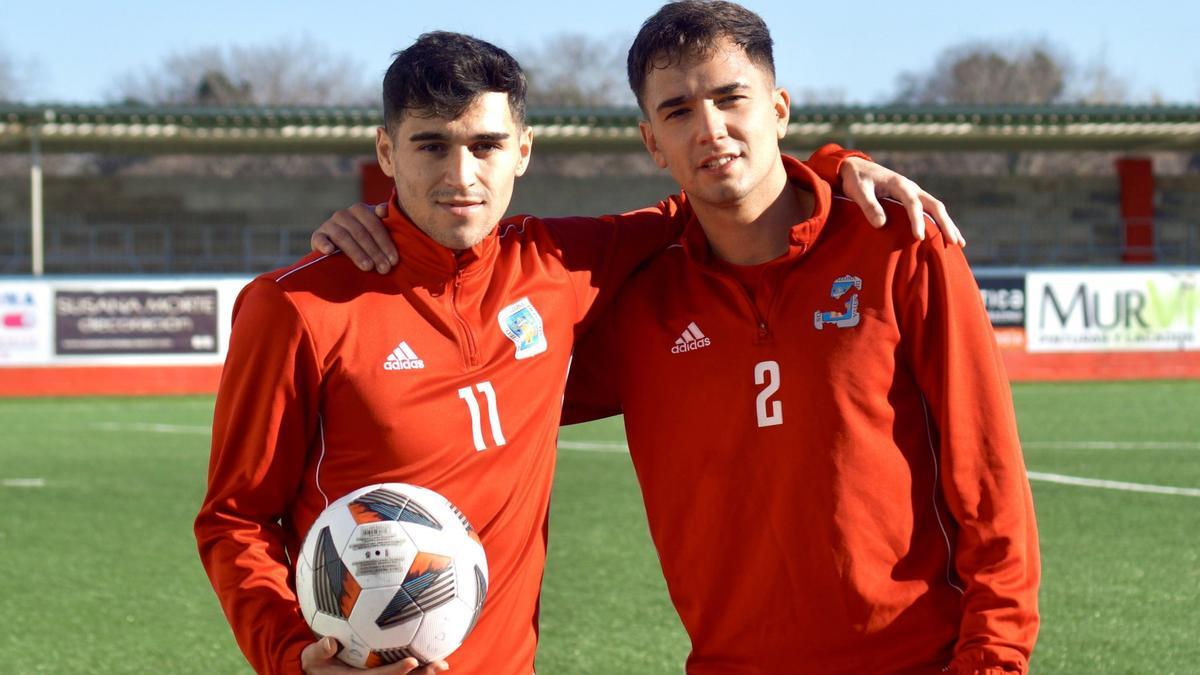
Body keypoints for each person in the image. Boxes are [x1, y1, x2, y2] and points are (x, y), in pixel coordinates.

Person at [196, 30, 948, 675]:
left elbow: (730, 185)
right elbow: (234, 517)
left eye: (487, 145)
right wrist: (293, 651)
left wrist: (834, 163)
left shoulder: (561, 263)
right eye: (432, 146)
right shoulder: (296, 306)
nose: (462, 176)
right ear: (387, 153)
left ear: (523, 152)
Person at [560, 3, 1038, 673]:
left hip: (917, 659)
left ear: (779, 108)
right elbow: (475, 388)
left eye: (732, 99)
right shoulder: (641, 302)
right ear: (651, 143)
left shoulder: (897, 244)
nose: (712, 129)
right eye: (678, 112)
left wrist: (995, 656)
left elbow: (987, 473)